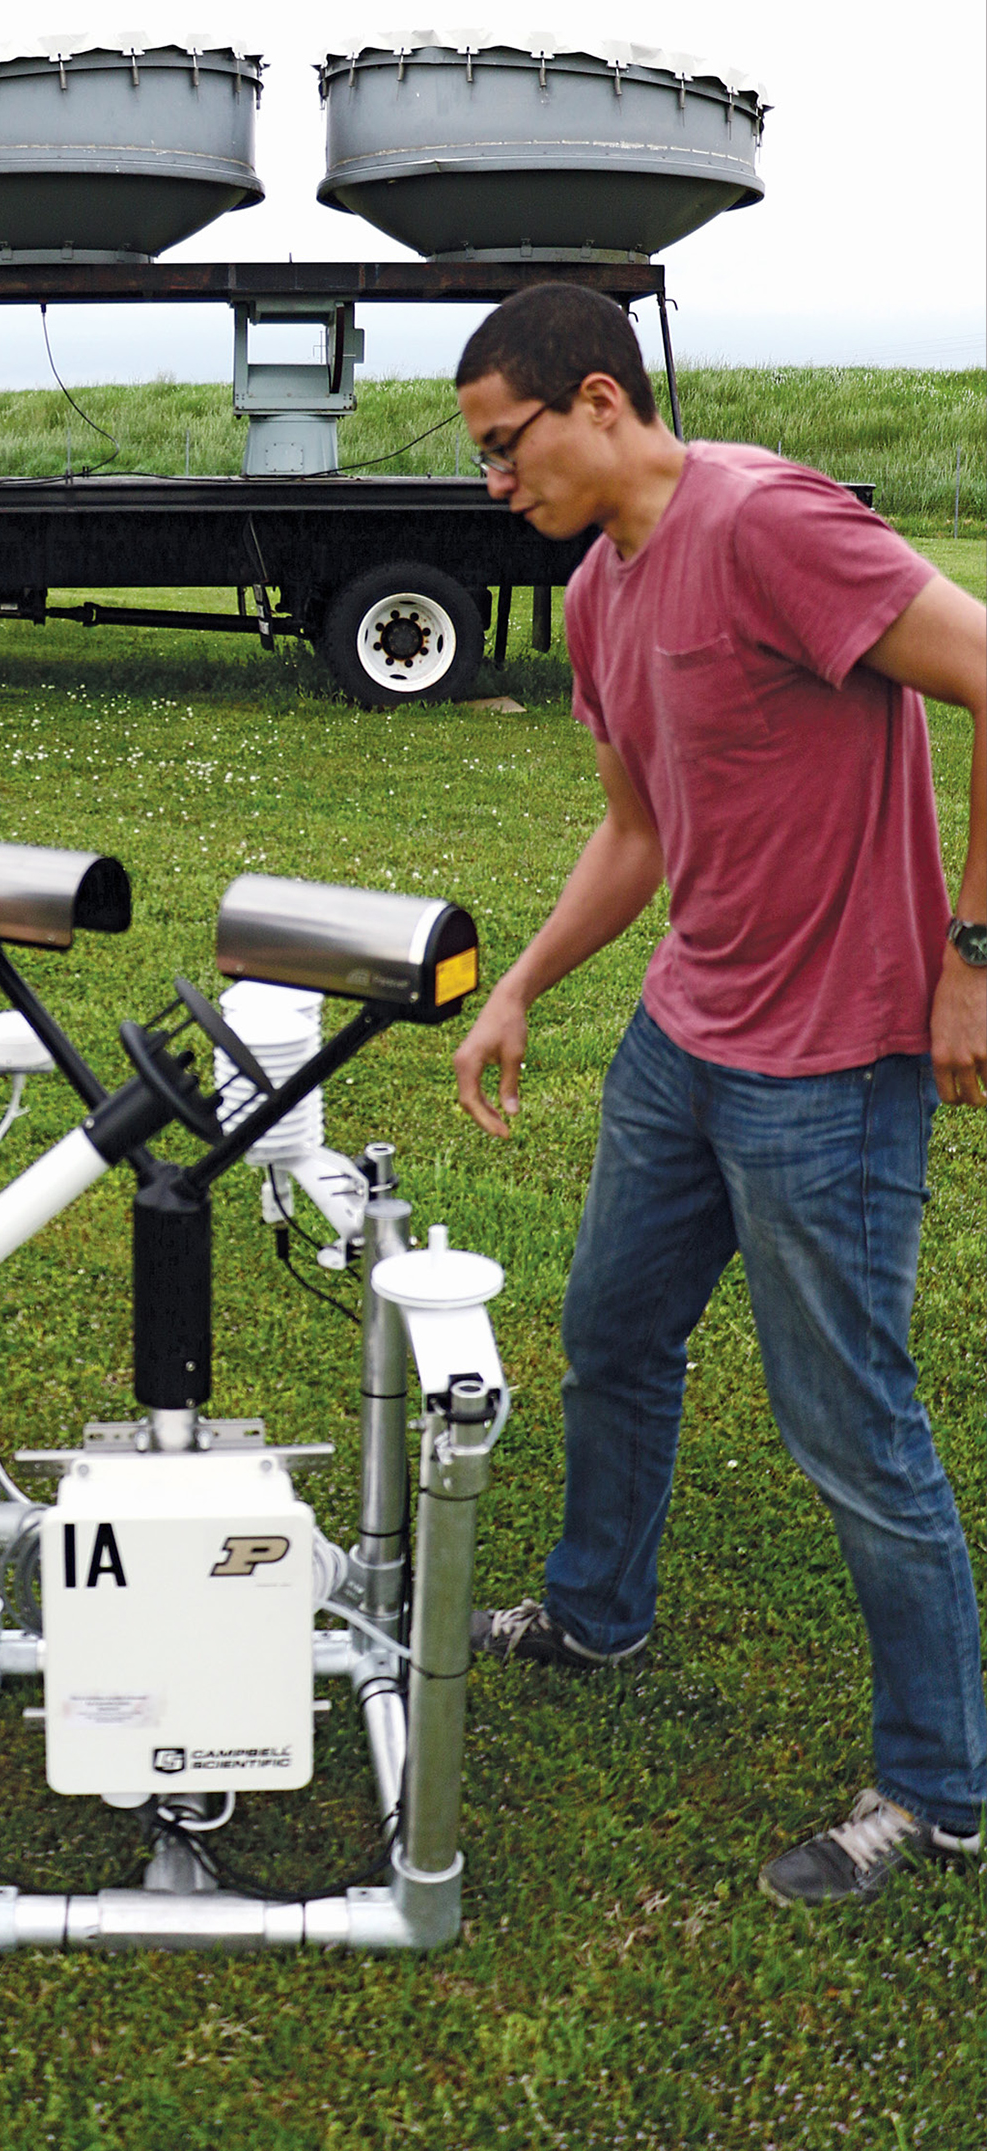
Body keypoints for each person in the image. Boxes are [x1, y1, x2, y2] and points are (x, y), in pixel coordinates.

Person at [451, 283, 985, 1908]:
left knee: (851, 1426)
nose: (495, 484)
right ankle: (597, 1608)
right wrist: (530, 982)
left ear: (597, 400)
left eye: (505, 445)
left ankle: (941, 1783)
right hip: (690, 1036)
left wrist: (973, 950)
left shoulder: (767, 525)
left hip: (831, 1058)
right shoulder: (605, 594)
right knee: (612, 1327)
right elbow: (639, 832)